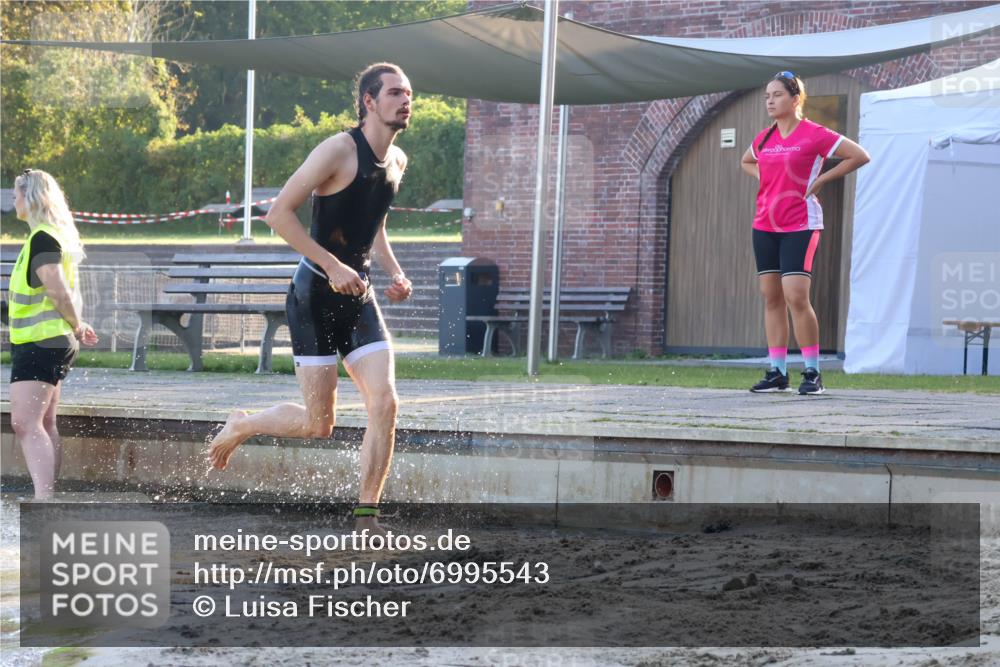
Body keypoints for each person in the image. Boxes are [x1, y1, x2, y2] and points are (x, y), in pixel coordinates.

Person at [208, 63, 414, 532]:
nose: (406, 102)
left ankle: (367, 514)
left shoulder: (398, 162)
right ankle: (243, 423)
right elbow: (277, 215)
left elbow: (374, 225)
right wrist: (332, 265)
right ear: (368, 100)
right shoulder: (338, 150)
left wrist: (396, 273)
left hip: (359, 296)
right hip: (314, 298)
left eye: (409, 94)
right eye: (396, 93)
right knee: (319, 425)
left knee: (385, 403)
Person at [740, 71, 870, 395]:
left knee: (795, 296)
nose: (770, 101)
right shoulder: (764, 138)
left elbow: (859, 155)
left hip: (801, 223)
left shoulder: (815, 134)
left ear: (795, 99)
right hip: (764, 225)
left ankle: (813, 373)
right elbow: (746, 160)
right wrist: (766, 179)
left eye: (777, 95)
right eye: (767, 96)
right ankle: (777, 372)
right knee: (771, 297)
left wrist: (823, 179)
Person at [8, 169, 98, 500]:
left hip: (41, 343)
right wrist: (78, 324)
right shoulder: (48, 236)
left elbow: (58, 291)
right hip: (49, 341)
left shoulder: (43, 238)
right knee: (44, 423)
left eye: (17, 193)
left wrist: (76, 324)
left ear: (31, 197)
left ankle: (43, 503)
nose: (13, 199)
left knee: (25, 423)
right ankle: (47, 500)